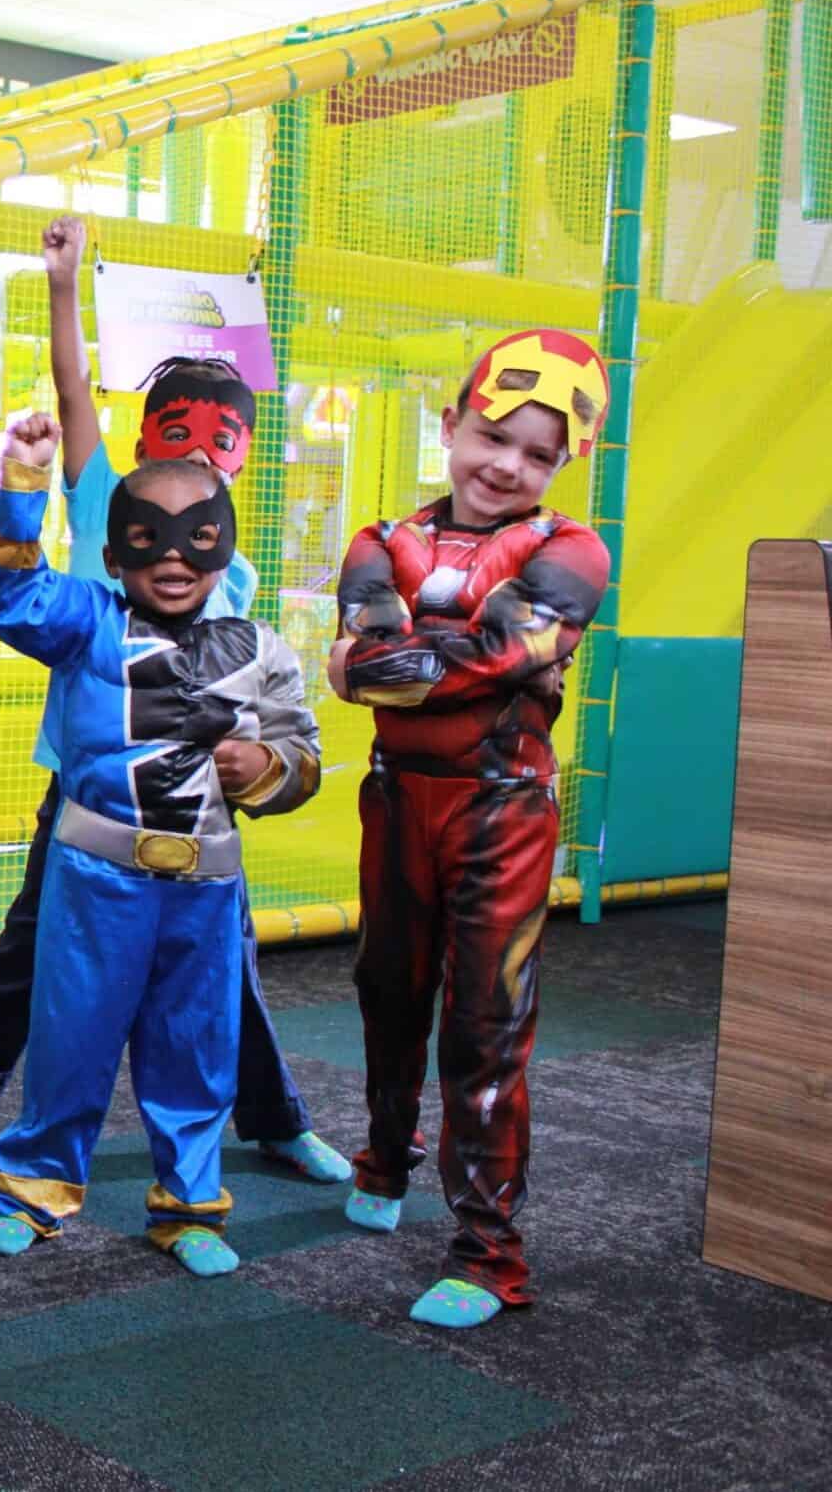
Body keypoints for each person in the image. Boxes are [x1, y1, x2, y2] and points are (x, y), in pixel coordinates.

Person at [0, 215, 349, 1187]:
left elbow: (256, 696)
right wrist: (62, 286)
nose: (199, 452)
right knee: (35, 949)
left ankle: (273, 1120)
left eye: (221, 437)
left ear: (243, 455)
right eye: (175, 429)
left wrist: (256, 769)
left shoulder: (238, 569)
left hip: (195, 804)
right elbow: (70, 394)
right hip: (85, 794)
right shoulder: (110, 501)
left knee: (223, 969)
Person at [0, 414, 322, 1276]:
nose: (172, 557)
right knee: (70, 1036)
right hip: (95, 878)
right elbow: (9, 595)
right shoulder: (85, 621)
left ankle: (191, 1203)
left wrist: (265, 764)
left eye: (196, 538)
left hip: (204, 886)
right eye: (147, 539)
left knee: (196, 1046)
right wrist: (24, 480)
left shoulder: (263, 651)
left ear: (224, 550)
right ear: (118, 554)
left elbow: (304, 757)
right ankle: (35, 1188)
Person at [328, 328, 612, 1330]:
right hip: (396, 799)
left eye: (538, 453)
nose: (507, 464)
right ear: (449, 424)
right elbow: (375, 663)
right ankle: (382, 1152)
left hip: (503, 810)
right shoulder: (377, 539)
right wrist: (502, 657)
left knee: (487, 1023)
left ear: (562, 463)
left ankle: (489, 1256)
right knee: (385, 988)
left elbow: (385, 666)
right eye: (493, 434)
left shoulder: (571, 547)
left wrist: (414, 656)